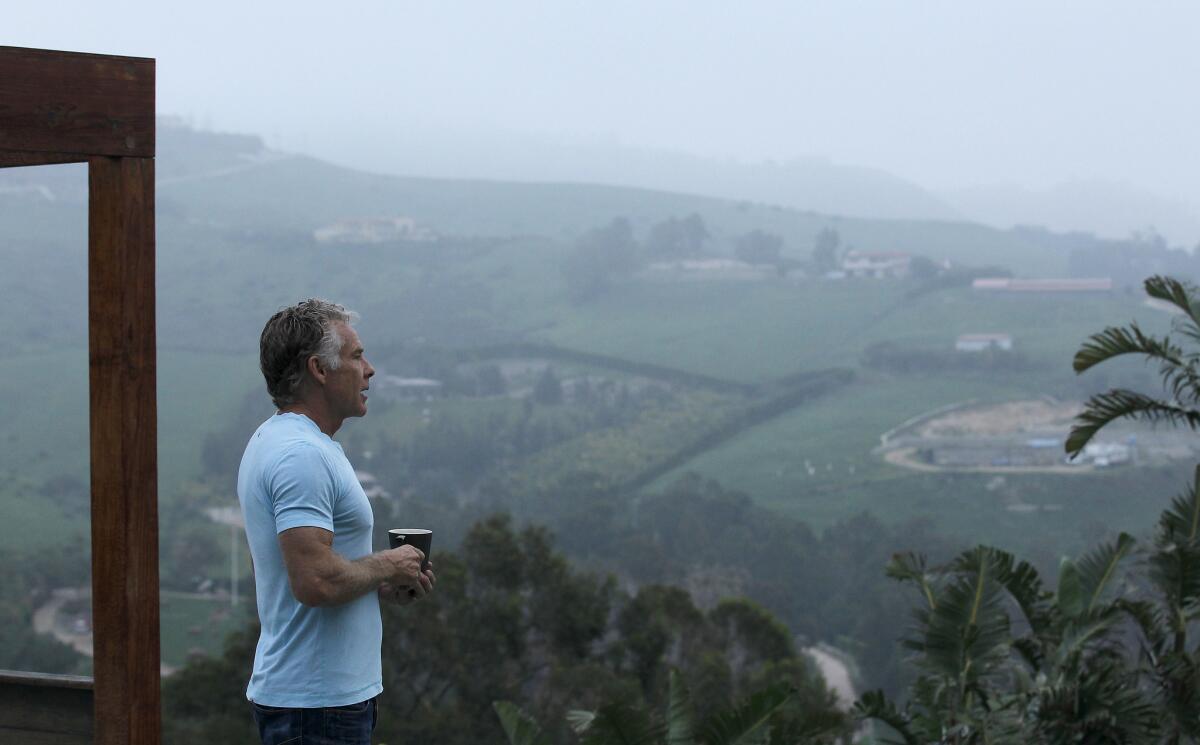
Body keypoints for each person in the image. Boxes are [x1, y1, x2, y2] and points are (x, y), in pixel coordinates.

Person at [238, 299, 435, 745]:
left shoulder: (288, 441)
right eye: (356, 356)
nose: (370, 370)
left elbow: (312, 572)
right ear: (319, 370)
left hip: (319, 701)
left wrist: (380, 584)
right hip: (317, 706)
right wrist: (389, 564)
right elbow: (314, 582)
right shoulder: (300, 456)